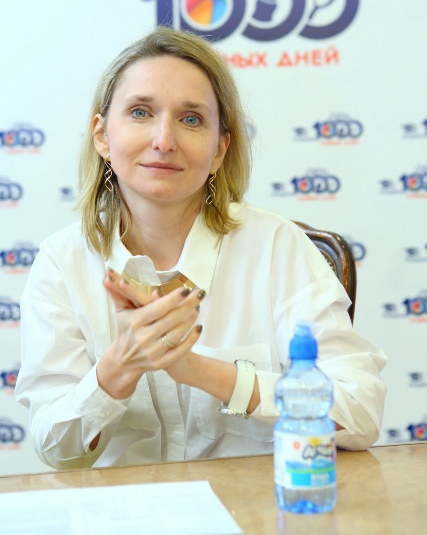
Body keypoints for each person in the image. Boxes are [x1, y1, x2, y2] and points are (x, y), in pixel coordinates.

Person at [15, 26, 386, 471]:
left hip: (257, 505)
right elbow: (57, 452)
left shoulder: (276, 246)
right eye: (140, 112)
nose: (164, 140)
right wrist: (119, 368)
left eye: (191, 119)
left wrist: (200, 370)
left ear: (219, 150)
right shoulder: (62, 263)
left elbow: (359, 412)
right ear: (102, 135)